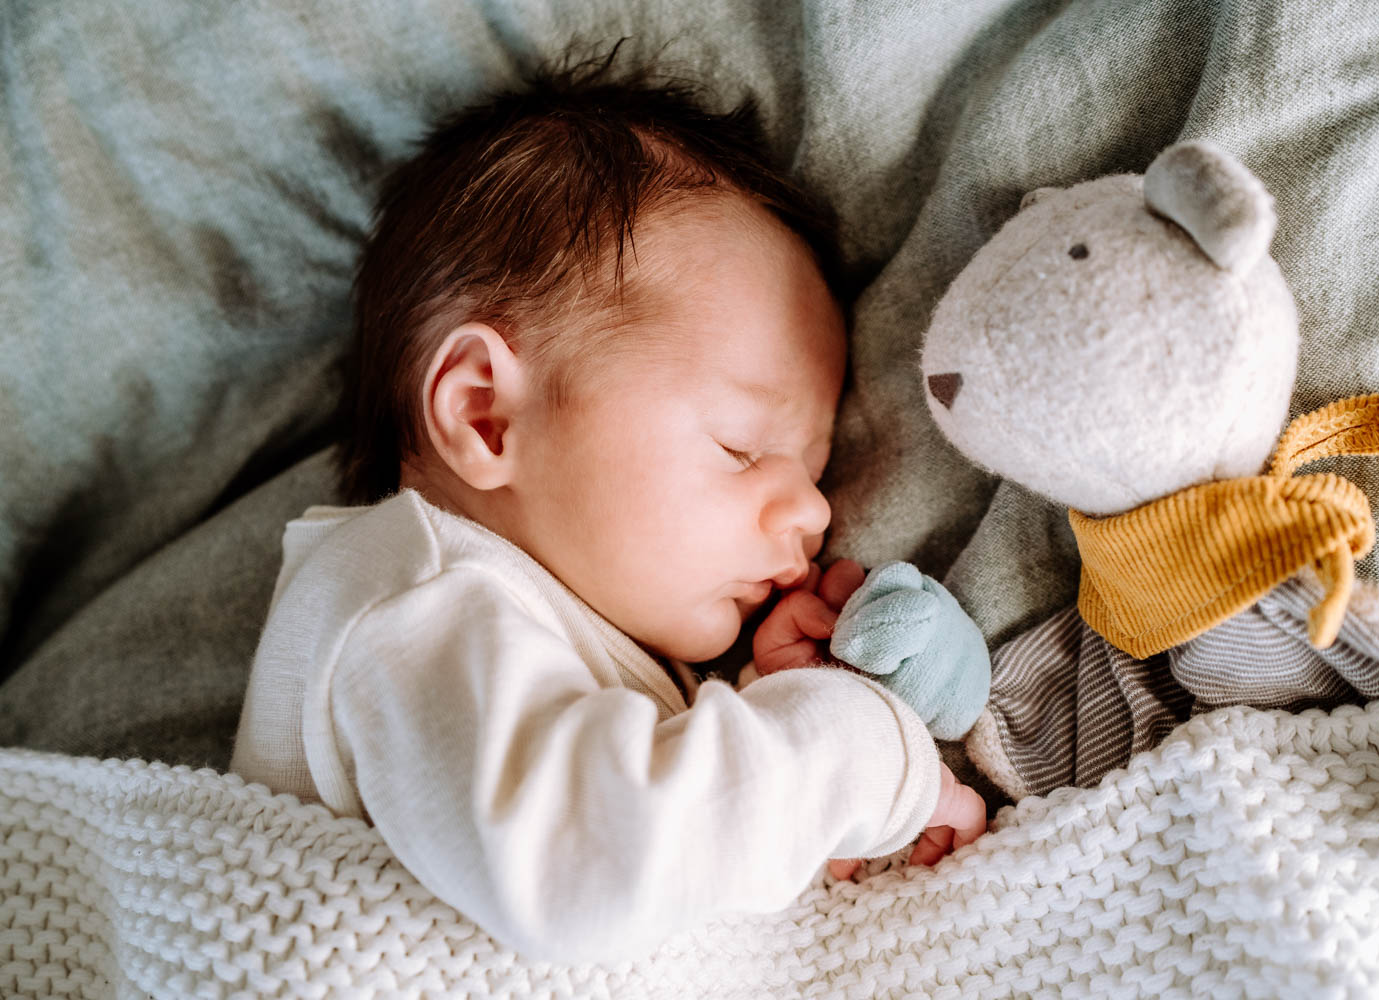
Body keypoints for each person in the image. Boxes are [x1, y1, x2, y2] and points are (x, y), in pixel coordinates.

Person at [230, 51, 987, 963]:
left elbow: (666, 846)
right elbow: (585, 867)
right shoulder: (414, 602)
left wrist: (767, 700)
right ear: (485, 414)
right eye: (739, 446)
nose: (815, 516)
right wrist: (861, 755)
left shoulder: (533, 632)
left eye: (815, 474)